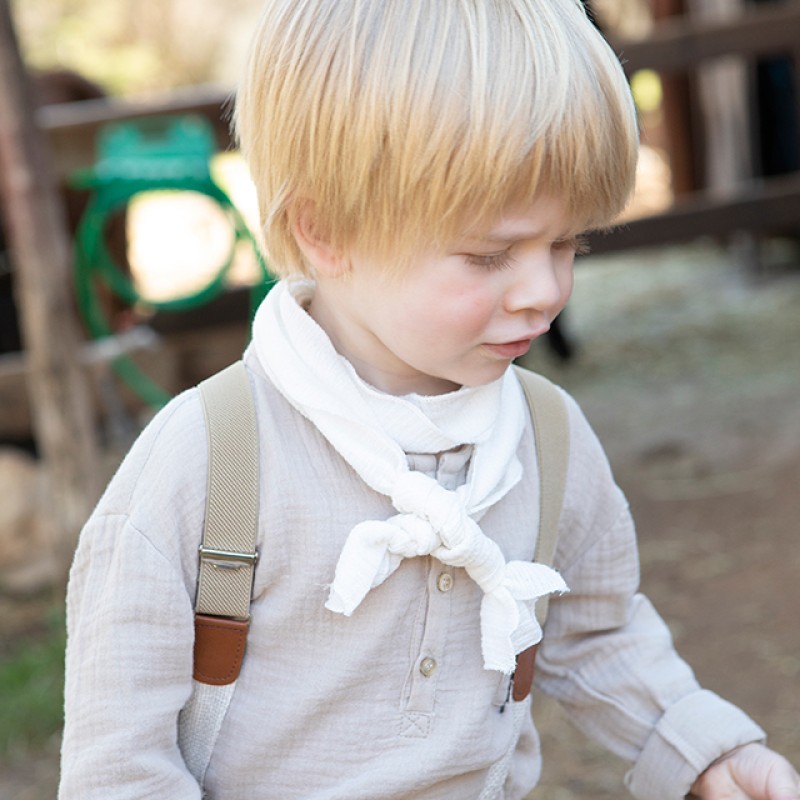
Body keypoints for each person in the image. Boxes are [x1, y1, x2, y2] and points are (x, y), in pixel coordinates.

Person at [59, 1, 800, 798]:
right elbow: (118, 764)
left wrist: (704, 750)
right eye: (488, 255)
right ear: (325, 229)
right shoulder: (209, 462)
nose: (545, 291)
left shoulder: (545, 438)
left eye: (567, 244)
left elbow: (595, 631)